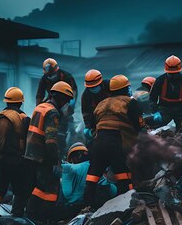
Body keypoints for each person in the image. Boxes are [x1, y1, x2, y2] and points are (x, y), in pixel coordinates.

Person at [84, 75, 146, 208]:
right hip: (116, 143)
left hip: (98, 143)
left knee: (93, 175)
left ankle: (88, 206)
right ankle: (128, 204)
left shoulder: (102, 103)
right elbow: (139, 125)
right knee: (123, 175)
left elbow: (93, 125)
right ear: (125, 89)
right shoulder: (130, 102)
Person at [24, 81, 75, 222]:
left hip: (31, 155)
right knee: (50, 189)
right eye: (66, 99)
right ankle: (44, 220)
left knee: (38, 187)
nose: (66, 103)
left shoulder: (41, 107)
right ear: (59, 97)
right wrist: (55, 161)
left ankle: (31, 216)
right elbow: (51, 140)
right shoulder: (52, 112)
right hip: (43, 156)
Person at [0, 87, 31, 217]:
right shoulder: (24, 118)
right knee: (20, 189)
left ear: (6, 102)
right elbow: (28, 142)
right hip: (17, 161)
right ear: (21, 102)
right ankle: (16, 216)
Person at [58, 143, 117, 216]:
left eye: (73, 160)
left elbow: (67, 194)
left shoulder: (70, 168)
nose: (73, 162)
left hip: (83, 204)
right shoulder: (96, 164)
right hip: (106, 197)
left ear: (77, 156)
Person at [36, 58, 78, 155]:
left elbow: (74, 92)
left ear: (57, 70)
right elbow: (39, 95)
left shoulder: (67, 76)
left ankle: (68, 140)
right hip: (52, 100)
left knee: (65, 121)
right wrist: (39, 109)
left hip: (65, 101)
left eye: (53, 75)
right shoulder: (44, 79)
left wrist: (70, 105)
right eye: (49, 75)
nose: (51, 77)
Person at [80, 69, 110, 143]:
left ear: (100, 83)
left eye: (95, 86)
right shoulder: (85, 95)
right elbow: (86, 114)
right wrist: (89, 128)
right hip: (97, 121)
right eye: (91, 87)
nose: (93, 89)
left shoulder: (109, 85)